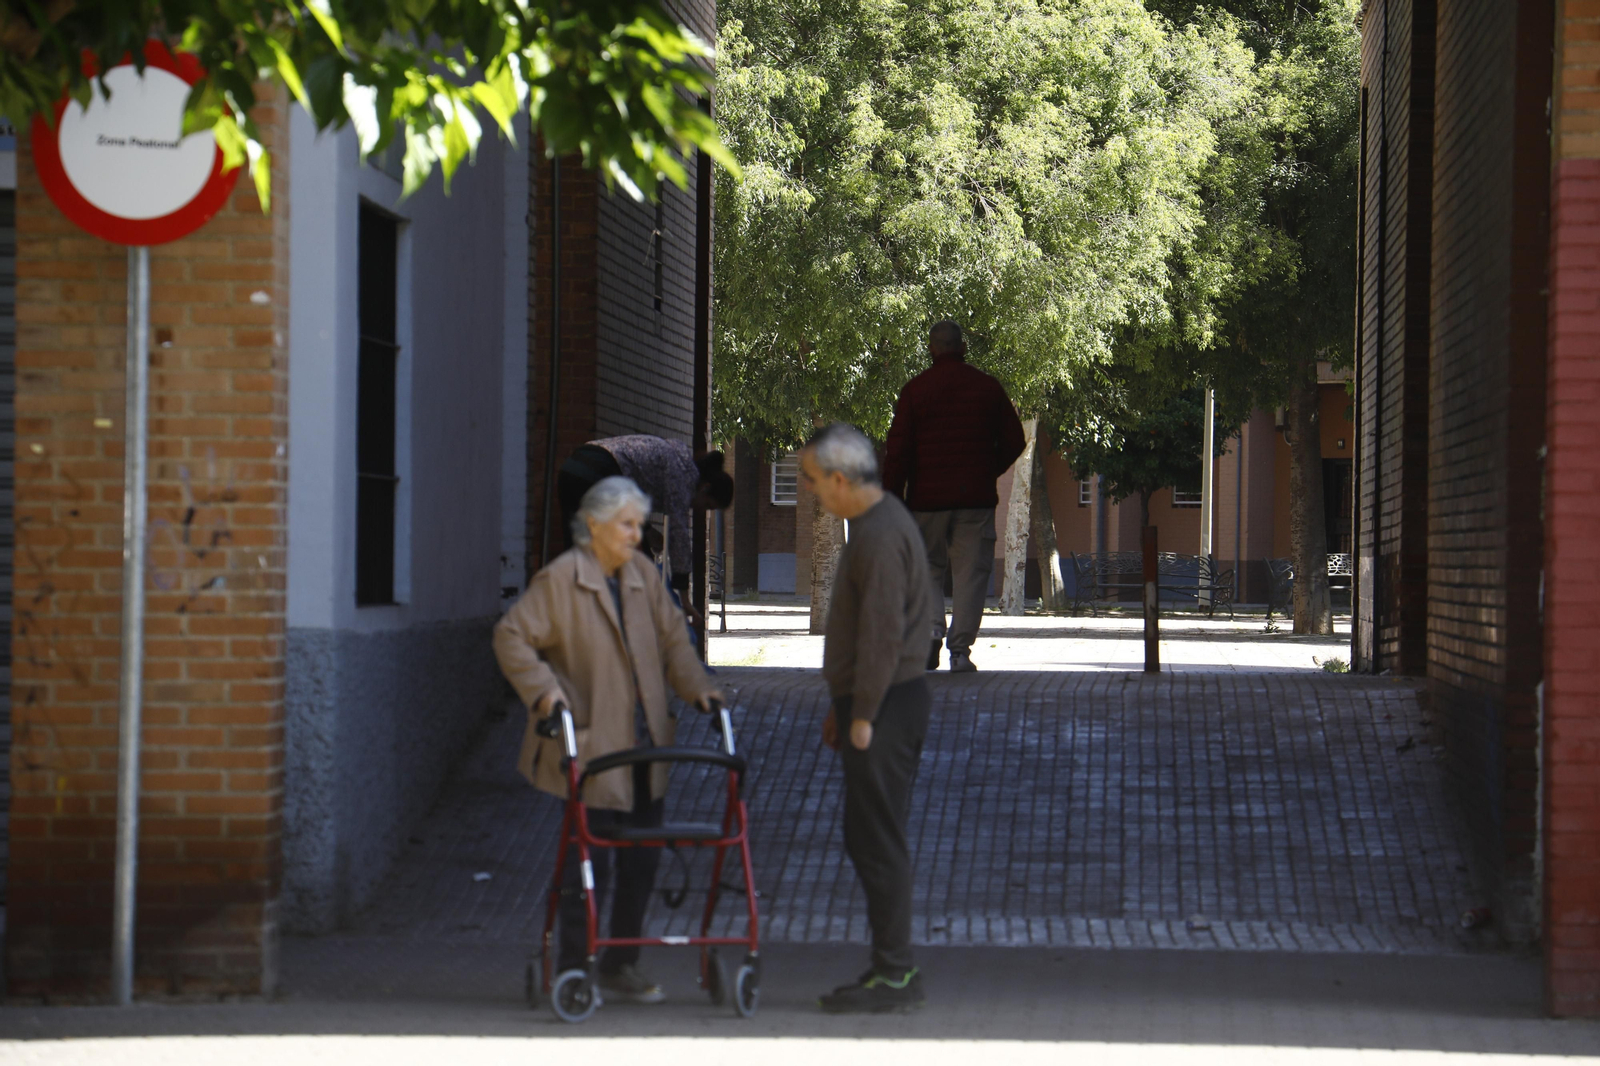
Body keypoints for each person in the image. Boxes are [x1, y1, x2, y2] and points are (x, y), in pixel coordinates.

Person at [494, 476, 722, 1007]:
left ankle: (621, 963)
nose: (636, 535)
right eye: (627, 525)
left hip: (645, 745)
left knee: (642, 858)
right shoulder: (561, 579)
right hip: (592, 746)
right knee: (588, 863)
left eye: (639, 525)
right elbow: (511, 636)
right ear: (594, 525)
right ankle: (575, 968)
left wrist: (700, 689)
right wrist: (545, 692)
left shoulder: (642, 575)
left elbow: (676, 644)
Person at [801, 423, 936, 1014]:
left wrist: (862, 714)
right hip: (880, 702)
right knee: (871, 835)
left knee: (877, 838)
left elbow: (882, 634)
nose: (810, 491)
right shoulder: (879, 524)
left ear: (839, 478)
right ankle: (891, 966)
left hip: (887, 705)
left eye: (811, 479)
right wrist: (845, 706)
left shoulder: (880, 535)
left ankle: (895, 972)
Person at [883, 320, 1026, 673]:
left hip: (926, 500)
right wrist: (986, 471)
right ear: (963, 347)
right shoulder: (987, 388)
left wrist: (892, 497)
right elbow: (1015, 440)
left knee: (925, 567)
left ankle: (932, 627)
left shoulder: (915, 390)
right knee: (970, 574)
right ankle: (960, 651)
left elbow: (897, 452)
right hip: (975, 500)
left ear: (932, 349)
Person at [557, 435, 734, 601]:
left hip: (572, 468)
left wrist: (648, 531)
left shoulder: (677, 461)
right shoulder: (683, 477)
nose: (702, 510)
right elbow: (678, 535)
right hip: (599, 473)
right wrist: (684, 595)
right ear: (704, 488)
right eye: (707, 505)